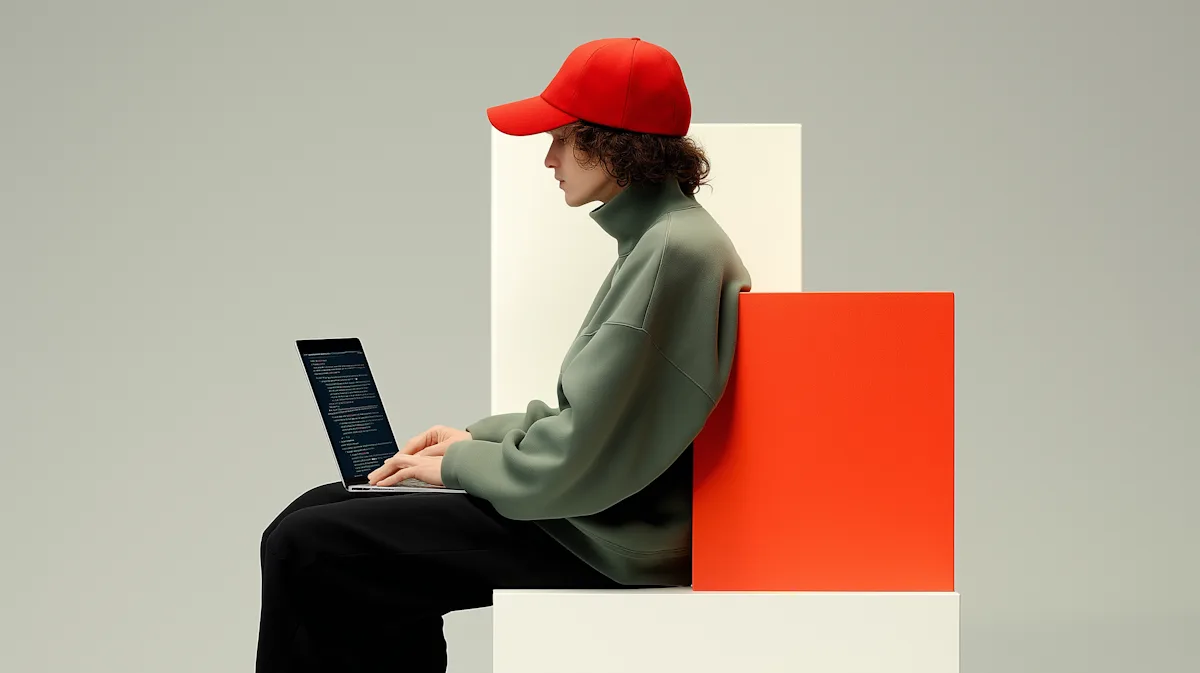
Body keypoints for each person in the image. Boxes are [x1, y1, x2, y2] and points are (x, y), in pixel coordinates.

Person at [256, 36, 752, 672]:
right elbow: (604, 416)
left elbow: (585, 455)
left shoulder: (672, 254)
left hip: (608, 533)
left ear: (612, 141)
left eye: (560, 138)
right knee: (318, 511)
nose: (548, 159)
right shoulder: (663, 239)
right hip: (596, 508)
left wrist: (462, 464)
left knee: (310, 545)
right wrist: (478, 438)